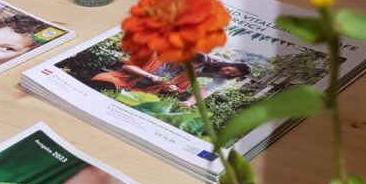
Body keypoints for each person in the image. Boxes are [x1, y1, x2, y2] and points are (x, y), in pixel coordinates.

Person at [92, 52, 250, 106]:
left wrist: (188, 101)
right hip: (126, 78)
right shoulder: (159, 57)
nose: (227, 72)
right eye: (229, 69)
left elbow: (207, 90)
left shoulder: (189, 74)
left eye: (232, 74)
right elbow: (128, 66)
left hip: (145, 89)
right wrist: (152, 76)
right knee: (106, 82)